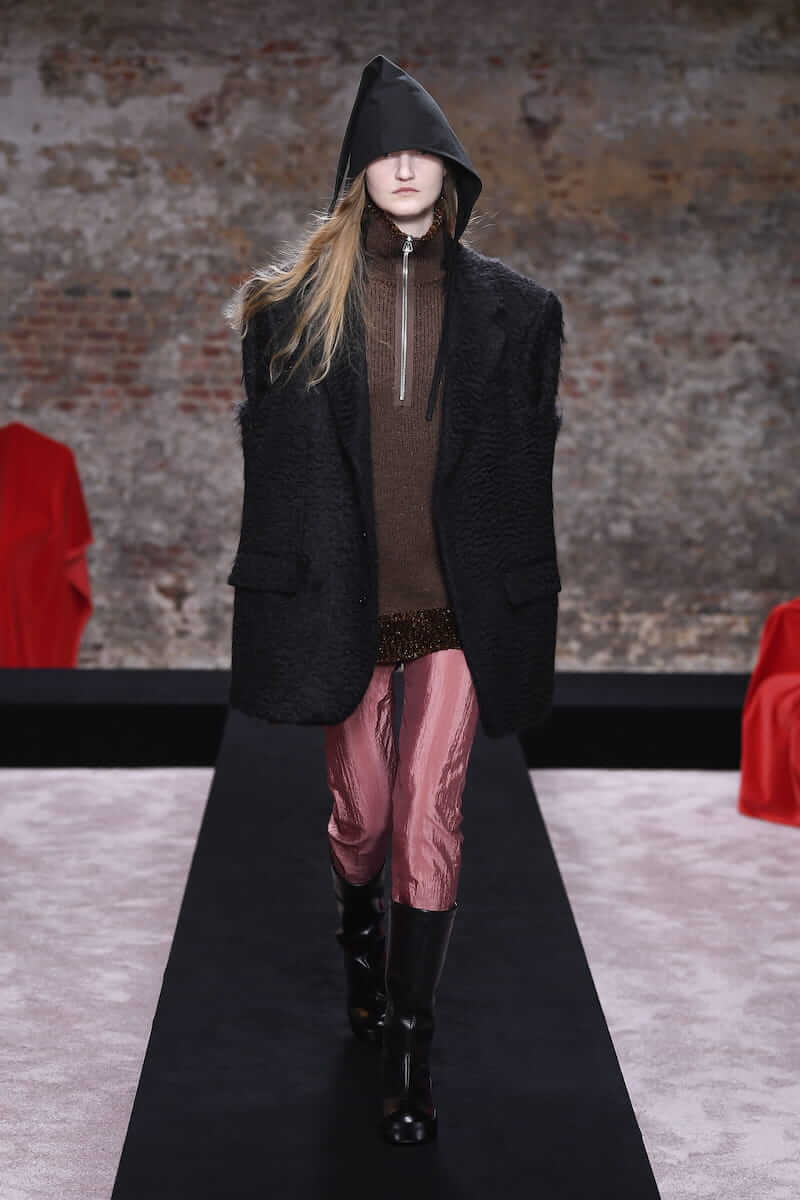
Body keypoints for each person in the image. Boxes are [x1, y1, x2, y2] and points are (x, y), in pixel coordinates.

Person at [223, 55, 565, 1147]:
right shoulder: (289, 310)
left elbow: (525, 475)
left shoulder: (520, 312)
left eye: (423, 151)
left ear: (451, 170)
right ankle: (357, 932)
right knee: (363, 818)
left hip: (458, 606)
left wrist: (526, 595)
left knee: (429, 810)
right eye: (385, 152)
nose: (405, 167)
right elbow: (275, 481)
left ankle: (410, 1050)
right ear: (357, 172)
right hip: (346, 604)